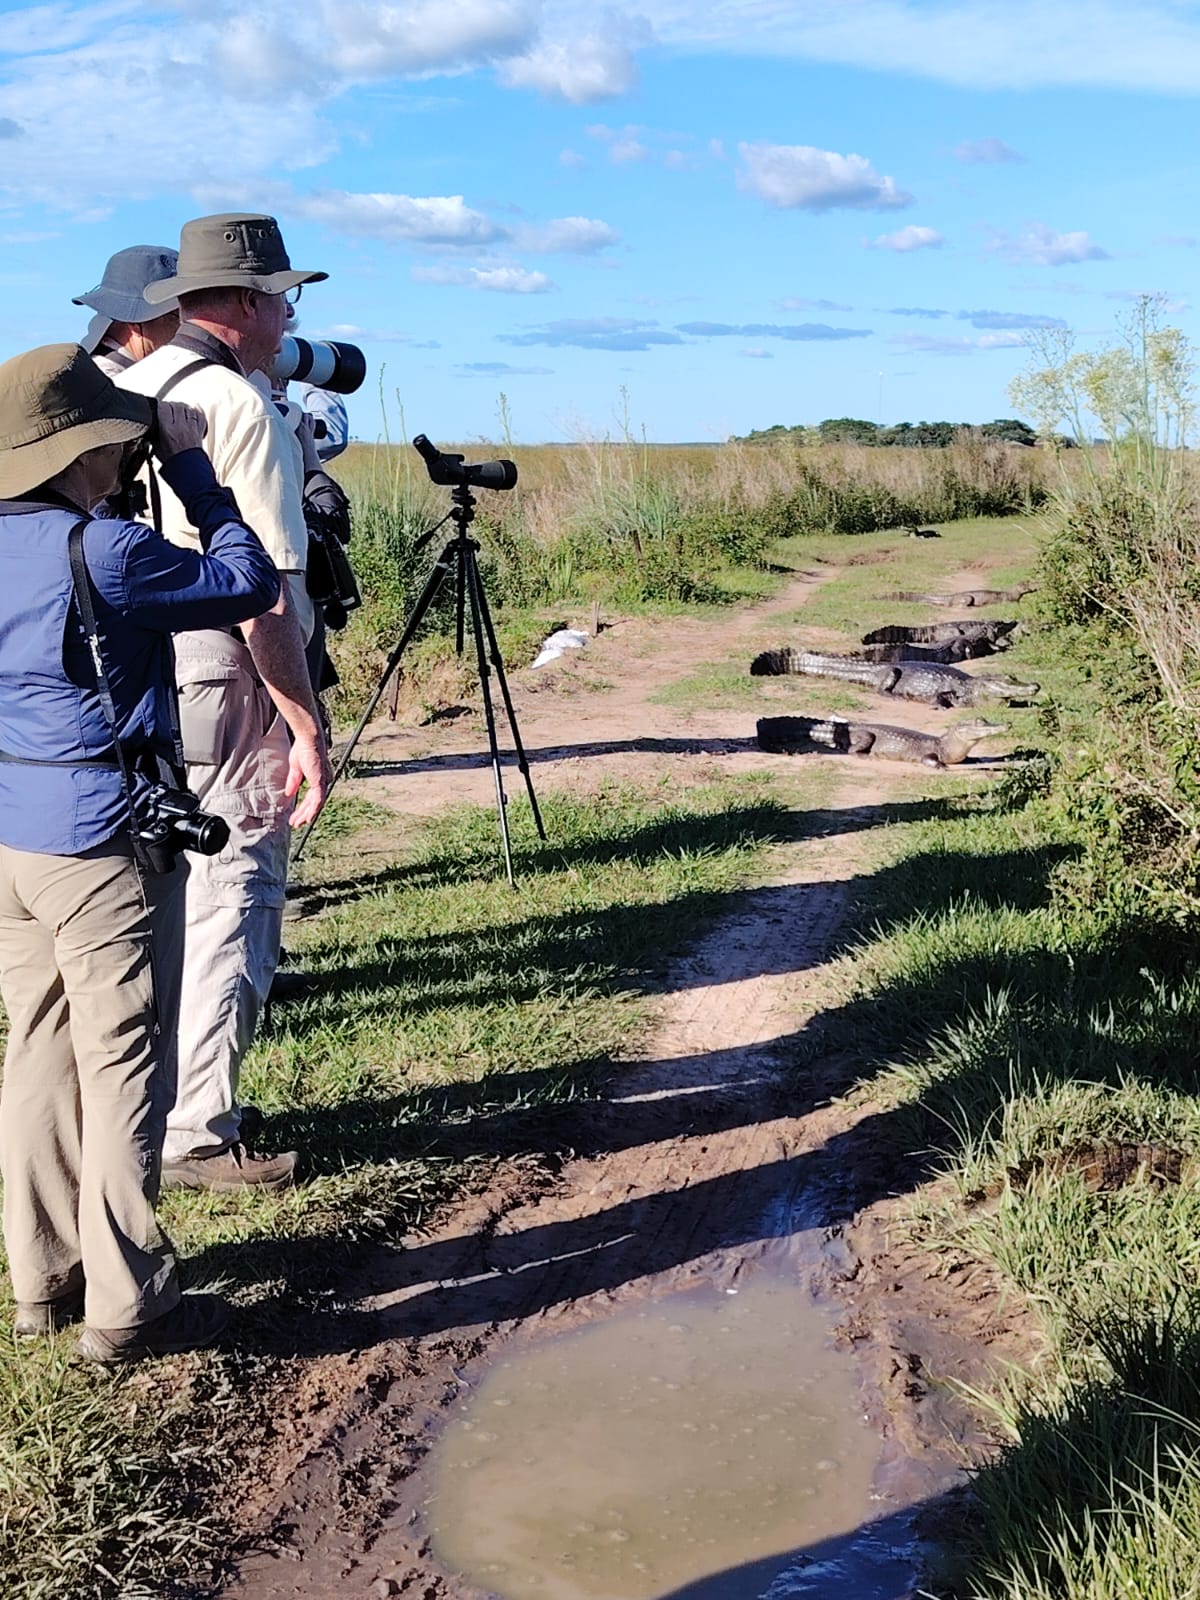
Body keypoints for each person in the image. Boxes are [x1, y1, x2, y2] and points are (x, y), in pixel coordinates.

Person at [0, 343, 280, 1361]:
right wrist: (195, 470)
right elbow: (246, 582)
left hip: (15, 831)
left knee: (36, 1050)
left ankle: (43, 1279)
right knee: (124, 1061)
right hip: (105, 839)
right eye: (115, 440)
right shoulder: (107, 550)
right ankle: (129, 1302)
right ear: (82, 449)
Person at [116, 213, 333, 1192]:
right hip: (220, 668)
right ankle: (200, 1132)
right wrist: (305, 723)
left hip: (127, 674)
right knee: (234, 889)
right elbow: (266, 592)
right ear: (245, 302)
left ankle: (138, 1111)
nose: (288, 319)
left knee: (151, 899)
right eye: (283, 299)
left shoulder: (131, 382)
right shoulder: (239, 405)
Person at [72, 245, 181, 377]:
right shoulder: (111, 383)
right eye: (178, 316)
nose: (188, 327)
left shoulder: (92, 373)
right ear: (135, 325)